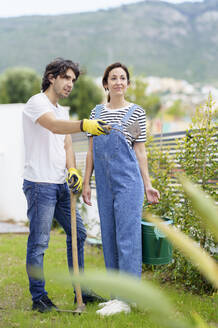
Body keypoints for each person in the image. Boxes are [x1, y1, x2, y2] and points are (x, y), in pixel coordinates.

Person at [22, 58, 108, 313]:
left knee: (78, 234)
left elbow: (67, 143)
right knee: (39, 243)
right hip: (40, 183)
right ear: (52, 77)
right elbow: (53, 126)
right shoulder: (37, 103)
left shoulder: (62, 109)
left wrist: (72, 169)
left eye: (73, 79)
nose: (70, 83)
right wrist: (84, 125)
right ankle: (39, 298)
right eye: (66, 78)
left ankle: (80, 290)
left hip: (61, 185)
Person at [82, 62, 160, 316]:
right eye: (113, 78)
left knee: (127, 238)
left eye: (122, 78)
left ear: (127, 84)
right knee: (110, 237)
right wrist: (86, 182)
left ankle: (129, 298)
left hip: (129, 183)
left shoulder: (136, 113)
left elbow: (140, 151)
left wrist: (148, 185)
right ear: (105, 83)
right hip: (104, 184)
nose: (118, 81)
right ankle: (117, 297)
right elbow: (92, 151)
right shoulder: (95, 112)